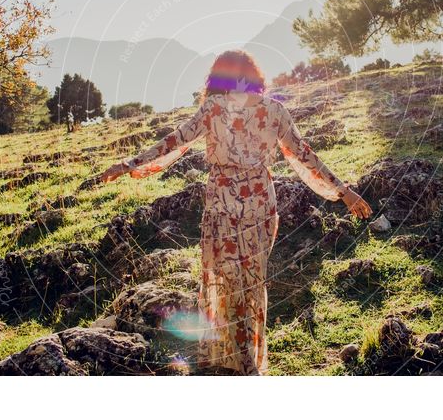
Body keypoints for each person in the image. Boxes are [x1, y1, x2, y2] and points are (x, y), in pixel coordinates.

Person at [98, 50, 372, 375]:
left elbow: (174, 141)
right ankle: (244, 362)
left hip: (228, 203)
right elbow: (305, 157)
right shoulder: (271, 111)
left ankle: (237, 360)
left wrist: (129, 164)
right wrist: (344, 192)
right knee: (247, 283)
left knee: (231, 283)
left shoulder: (218, 108)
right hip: (253, 203)